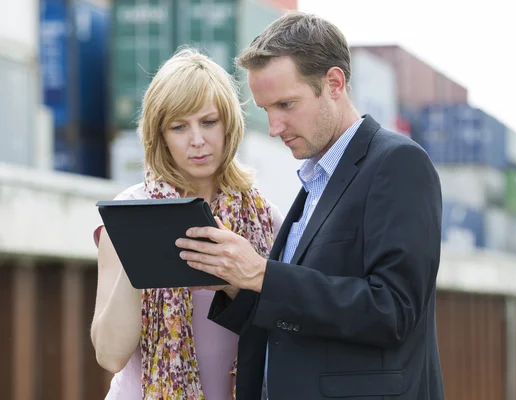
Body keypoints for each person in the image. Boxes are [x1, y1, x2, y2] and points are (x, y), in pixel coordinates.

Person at [175, 11, 445, 400]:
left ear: (334, 83)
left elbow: (393, 310)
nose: (274, 126)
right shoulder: (315, 179)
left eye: (286, 104)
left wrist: (262, 275)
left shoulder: (398, 163)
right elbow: (296, 315)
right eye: (266, 109)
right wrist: (237, 284)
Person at [91, 47, 282, 399]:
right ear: (160, 135)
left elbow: (283, 336)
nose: (198, 140)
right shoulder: (129, 213)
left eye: (208, 122)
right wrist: (142, 255)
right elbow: (109, 355)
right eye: (179, 127)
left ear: (229, 124)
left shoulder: (265, 218)